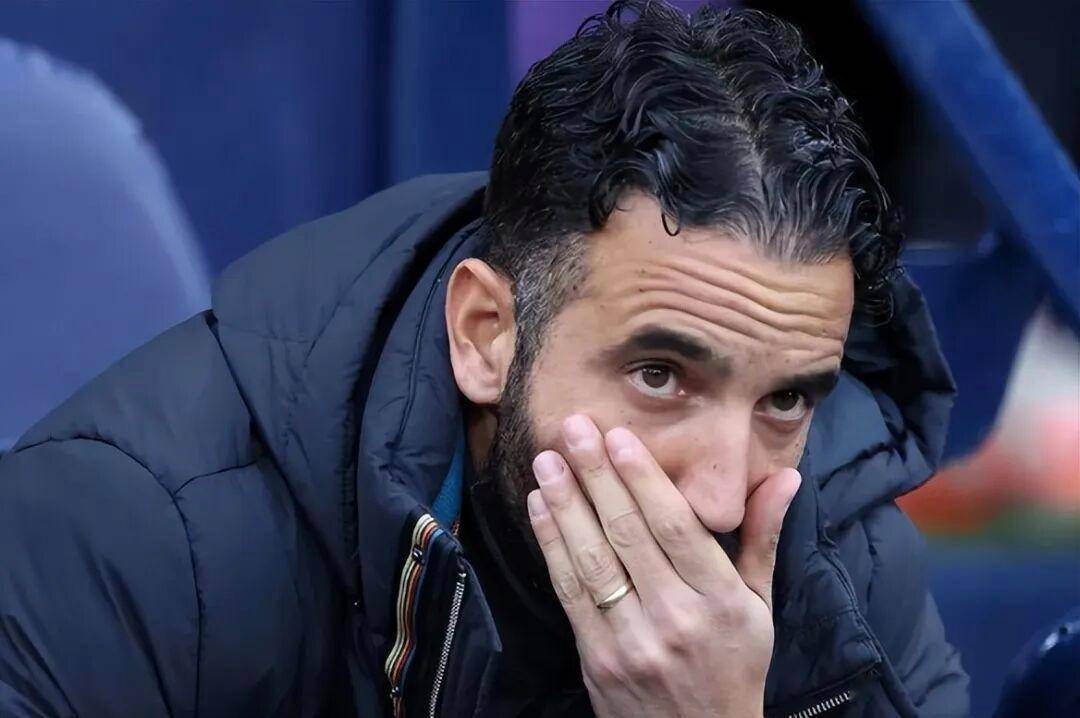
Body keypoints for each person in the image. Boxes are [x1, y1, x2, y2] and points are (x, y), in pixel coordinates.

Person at [0, 2, 969, 716]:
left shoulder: (835, 551)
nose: (720, 498)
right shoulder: (135, 540)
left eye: (787, 399)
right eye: (661, 376)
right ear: (483, 334)